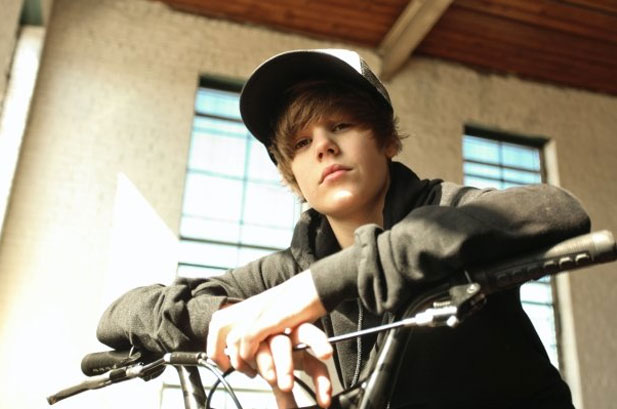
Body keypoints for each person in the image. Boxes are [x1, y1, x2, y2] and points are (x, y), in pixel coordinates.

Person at [97, 49, 590, 408]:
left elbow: (557, 209)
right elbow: (121, 314)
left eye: (341, 125)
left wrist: (319, 287)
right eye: (300, 142)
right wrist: (230, 317)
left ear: (386, 140)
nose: (323, 147)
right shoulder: (287, 270)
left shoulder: (446, 208)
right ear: (292, 175)